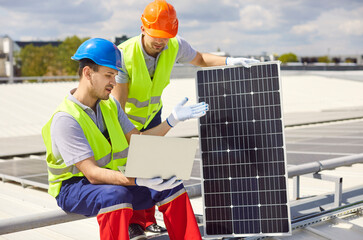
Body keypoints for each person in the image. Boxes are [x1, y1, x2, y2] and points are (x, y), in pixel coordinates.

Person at [111, 0, 259, 237]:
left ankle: (147, 220)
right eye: (156, 35)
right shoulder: (123, 55)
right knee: (135, 172)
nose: (161, 41)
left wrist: (229, 61)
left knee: (160, 173)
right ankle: (134, 222)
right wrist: (137, 134)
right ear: (143, 29)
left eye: (166, 36)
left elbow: (199, 59)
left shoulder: (174, 46)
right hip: (128, 122)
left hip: (153, 115)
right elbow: (117, 107)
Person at [41, 38, 208, 240]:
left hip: (110, 177)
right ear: (88, 73)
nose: (114, 82)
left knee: (170, 182)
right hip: (73, 187)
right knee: (116, 197)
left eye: (115, 75)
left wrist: (172, 120)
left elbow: (140, 143)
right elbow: (92, 174)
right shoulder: (66, 119)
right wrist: (137, 179)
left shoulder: (111, 106)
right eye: (108, 75)